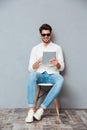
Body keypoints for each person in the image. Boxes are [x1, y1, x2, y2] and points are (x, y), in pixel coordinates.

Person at [25, 24, 64, 123]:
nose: (46, 37)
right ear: (40, 34)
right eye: (43, 35)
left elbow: (62, 67)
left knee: (61, 80)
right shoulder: (35, 49)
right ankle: (31, 110)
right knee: (32, 75)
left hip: (52, 74)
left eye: (48, 34)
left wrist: (57, 64)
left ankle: (41, 109)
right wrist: (38, 62)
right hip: (40, 74)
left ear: (51, 34)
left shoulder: (57, 48)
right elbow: (30, 68)